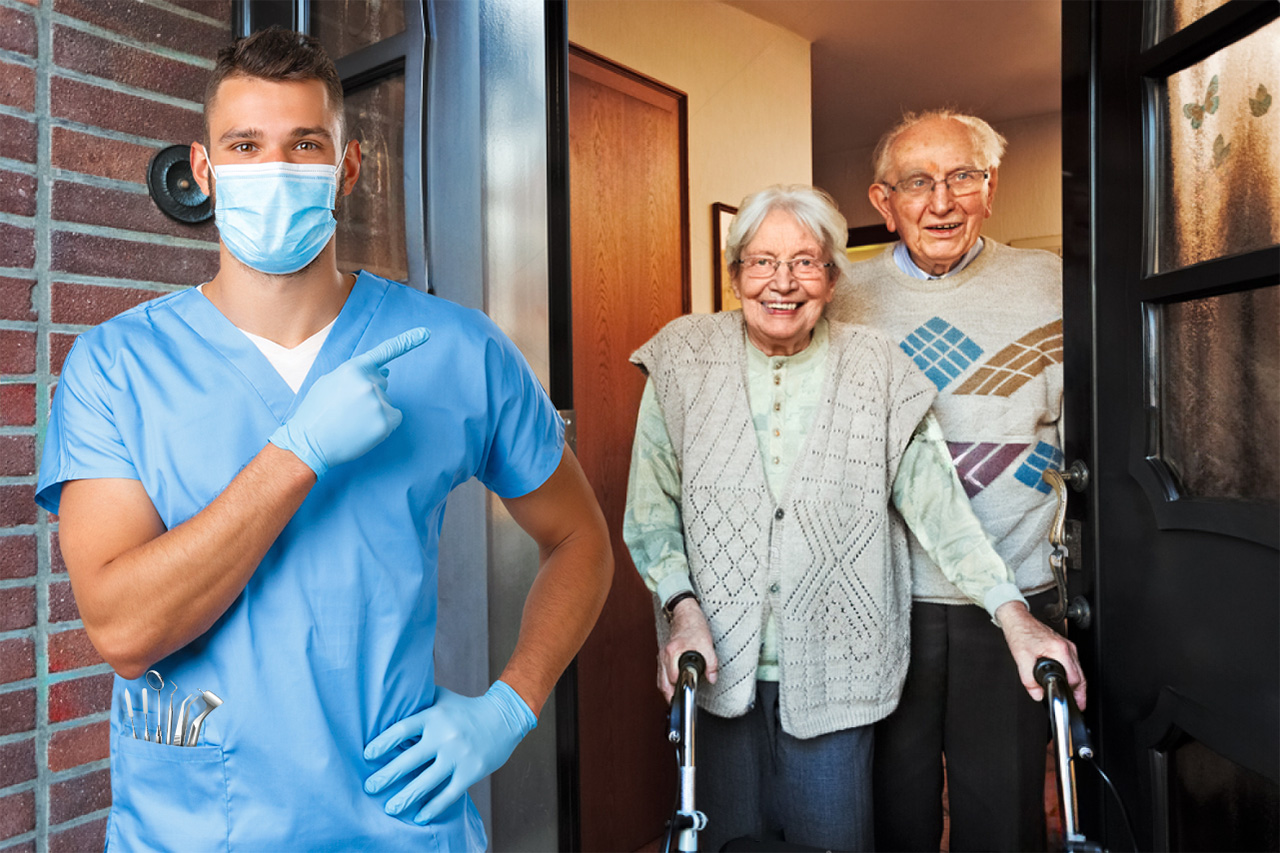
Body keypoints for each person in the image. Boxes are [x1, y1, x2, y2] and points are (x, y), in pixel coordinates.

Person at [35, 28, 612, 851]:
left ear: (348, 167)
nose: (274, 168)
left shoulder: (458, 350)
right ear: (204, 169)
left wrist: (510, 704)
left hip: (399, 824)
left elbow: (581, 539)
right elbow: (124, 630)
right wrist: (297, 451)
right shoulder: (117, 365)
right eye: (245, 145)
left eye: (304, 144)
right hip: (194, 827)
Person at [623, 184, 1084, 852]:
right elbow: (650, 511)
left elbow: (938, 507)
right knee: (724, 840)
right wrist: (681, 608)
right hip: (715, 666)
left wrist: (1014, 616)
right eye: (762, 262)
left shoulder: (877, 366)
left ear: (834, 278)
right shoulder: (682, 358)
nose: (783, 282)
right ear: (735, 273)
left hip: (838, 672)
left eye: (805, 262)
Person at [828, 109, 1074, 852]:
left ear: (990, 189)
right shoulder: (841, 297)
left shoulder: (1054, 285)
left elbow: (1098, 428)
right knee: (889, 809)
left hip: (1015, 589)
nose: (942, 202)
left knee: (1003, 811)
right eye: (917, 182)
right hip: (884, 594)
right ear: (883, 202)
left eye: (963, 176)